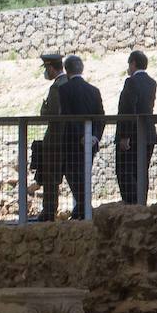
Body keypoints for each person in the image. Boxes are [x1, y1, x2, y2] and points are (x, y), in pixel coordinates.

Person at [57, 54, 104, 220]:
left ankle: (84, 208)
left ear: (66, 70)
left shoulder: (63, 89)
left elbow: (68, 116)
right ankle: (82, 210)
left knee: (71, 173)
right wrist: (95, 136)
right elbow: (101, 117)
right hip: (91, 142)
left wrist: (80, 136)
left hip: (72, 142)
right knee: (84, 174)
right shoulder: (94, 90)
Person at [115, 50, 157, 206]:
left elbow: (127, 108)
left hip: (132, 135)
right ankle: (141, 204)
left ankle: (132, 205)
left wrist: (125, 136)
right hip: (148, 134)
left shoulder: (131, 82)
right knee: (142, 172)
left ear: (133, 63)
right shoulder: (152, 82)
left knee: (125, 171)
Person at [34, 53, 72, 222]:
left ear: (50, 68)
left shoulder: (56, 87)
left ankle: (48, 212)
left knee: (51, 177)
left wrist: (44, 111)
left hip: (56, 139)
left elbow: (55, 114)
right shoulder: (69, 82)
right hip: (70, 138)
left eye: (47, 69)